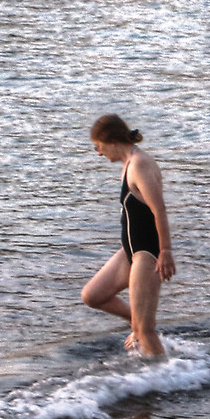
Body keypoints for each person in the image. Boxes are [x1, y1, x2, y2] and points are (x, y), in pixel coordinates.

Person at [82, 113, 177, 355]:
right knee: (93, 295)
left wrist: (165, 251)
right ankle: (137, 320)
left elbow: (159, 209)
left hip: (148, 252)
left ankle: (166, 379)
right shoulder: (129, 163)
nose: (99, 153)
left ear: (111, 140)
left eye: (99, 147)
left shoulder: (139, 165)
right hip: (132, 251)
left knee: (145, 330)